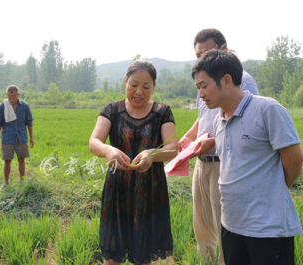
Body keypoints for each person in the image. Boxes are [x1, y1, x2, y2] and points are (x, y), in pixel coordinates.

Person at [192, 48, 303, 265]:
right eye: (198, 88)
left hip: (267, 229)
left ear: (226, 80)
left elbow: (294, 158)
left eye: (204, 86)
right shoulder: (219, 120)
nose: (201, 94)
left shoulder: (267, 109)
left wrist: (276, 188)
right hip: (231, 225)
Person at [178, 28, 259, 265]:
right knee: (202, 228)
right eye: (198, 55)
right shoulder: (204, 80)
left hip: (224, 163)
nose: (202, 59)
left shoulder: (242, 80)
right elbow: (204, 115)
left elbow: (243, 123)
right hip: (201, 163)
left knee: (225, 230)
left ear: (224, 50)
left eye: (207, 52)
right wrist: (190, 135)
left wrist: (210, 143)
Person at [89, 60, 178, 265]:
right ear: (125, 82)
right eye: (134, 84)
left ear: (153, 86)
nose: (139, 91)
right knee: (112, 256)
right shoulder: (112, 110)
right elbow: (94, 142)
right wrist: (108, 150)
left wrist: (152, 155)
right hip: (117, 190)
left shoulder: (162, 112)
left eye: (146, 87)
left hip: (150, 191)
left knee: (143, 255)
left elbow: (172, 147)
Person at [0, 85, 34, 188]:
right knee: (7, 161)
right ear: (6, 95)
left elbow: (29, 122)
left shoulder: (25, 106)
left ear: (18, 95)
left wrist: (31, 138)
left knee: (21, 159)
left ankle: (22, 182)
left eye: (14, 97)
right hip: (7, 137)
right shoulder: (3, 106)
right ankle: (6, 183)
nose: (11, 100)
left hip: (21, 137)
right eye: (9, 97)